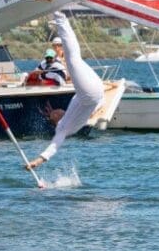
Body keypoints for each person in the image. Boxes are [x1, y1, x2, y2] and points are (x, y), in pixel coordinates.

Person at [26, 12, 105, 170]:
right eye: (54, 115)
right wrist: (39, 160)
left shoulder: (69, 115)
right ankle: (59, 16)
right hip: (90, 93)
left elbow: (92, 109)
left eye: (53, 112)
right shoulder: (63, 128)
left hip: (95, 89)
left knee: (75, 58)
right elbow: (55, 145)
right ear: (55, 122)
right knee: (72, 59)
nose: (55, 112)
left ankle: (61, 17)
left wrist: (98, 109)